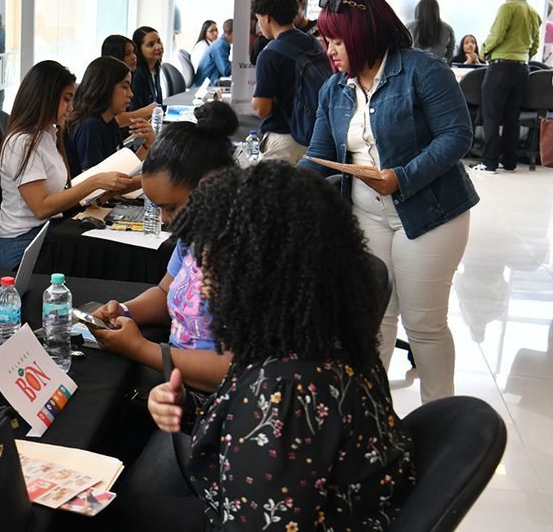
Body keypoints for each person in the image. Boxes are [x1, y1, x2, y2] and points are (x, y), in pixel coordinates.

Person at [140, 163, 414, 530]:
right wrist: (190, 409)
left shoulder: (285, 395)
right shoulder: (312, 334)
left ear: (263, 274)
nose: (203, 287)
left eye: (216, 269)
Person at [302, 0, 479, 403]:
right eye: (325, 41)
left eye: (337, 41)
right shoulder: (336, 89)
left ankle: (440, 418)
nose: (329, 50)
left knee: (423, 324)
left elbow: (457, 136)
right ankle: (370, 417)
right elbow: (319, 155)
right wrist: (273, 186)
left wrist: (402, 176)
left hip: (431, 213)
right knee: (373, 320)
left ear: (364, 34)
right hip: (367, 214)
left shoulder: (422, 70)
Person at [89, 102, 238, 391]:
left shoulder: (248, 253)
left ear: (207, 187)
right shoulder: (194, 232)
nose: (165, 220)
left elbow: (232, 369)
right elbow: (164, 292)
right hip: (177, 381)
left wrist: (140, 349)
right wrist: (124, 311)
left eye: (170, 207)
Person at [0, 61, 132, 270]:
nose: (71, 107)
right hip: (22, 246)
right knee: (99, 259)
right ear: (46, 98)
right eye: (66, 99)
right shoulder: (21, 142)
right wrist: (94, 182)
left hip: (47, 231)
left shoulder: (47, 134)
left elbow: (58, 194)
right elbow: (41, 207)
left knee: (105, 250)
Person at [475, 0, 542, 173]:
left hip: (501, 68)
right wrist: (522, 57)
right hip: (522, 69)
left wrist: (484, 51)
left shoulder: (508, 8)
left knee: (492, 116)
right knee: (512, 117)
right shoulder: (535, 14)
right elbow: (535, 45)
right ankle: (509, 162)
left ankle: (489, 163)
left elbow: (497, 35)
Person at [251, 0, 324, 162]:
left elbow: (262, 109)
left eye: (258, 19)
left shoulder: (269, 54)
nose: (259, 25)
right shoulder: (313, 43)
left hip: (283, 140)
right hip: (314, 135)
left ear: (267, 17)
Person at [67, 56, 154, 173]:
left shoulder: (110, 121)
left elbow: (125, 171)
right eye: (125, 86)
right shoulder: (89, 127)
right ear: (105, 87)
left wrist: (147, 143)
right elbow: (97, 186)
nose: (131, 94)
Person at [101, 34, 155, 125]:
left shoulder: (133, 75)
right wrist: (147, 111)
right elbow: (116, 120)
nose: (134, 57)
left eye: (134, 52)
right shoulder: (105, 83)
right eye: (127, 54)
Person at [129, 26, 164, 111]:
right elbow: (135, 108)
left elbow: (157, 103)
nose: (158, 47)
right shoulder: (137, 73)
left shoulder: (155, 68)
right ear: (139, 49)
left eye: (159, 41)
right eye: (151, 45)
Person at [193, 19, 233, 85]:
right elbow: (226, 71)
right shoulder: (220, 45)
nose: (216, 33)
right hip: (204, 87)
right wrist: (239, 62)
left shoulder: (220, 43)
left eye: (216, 30)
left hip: (209, 83)